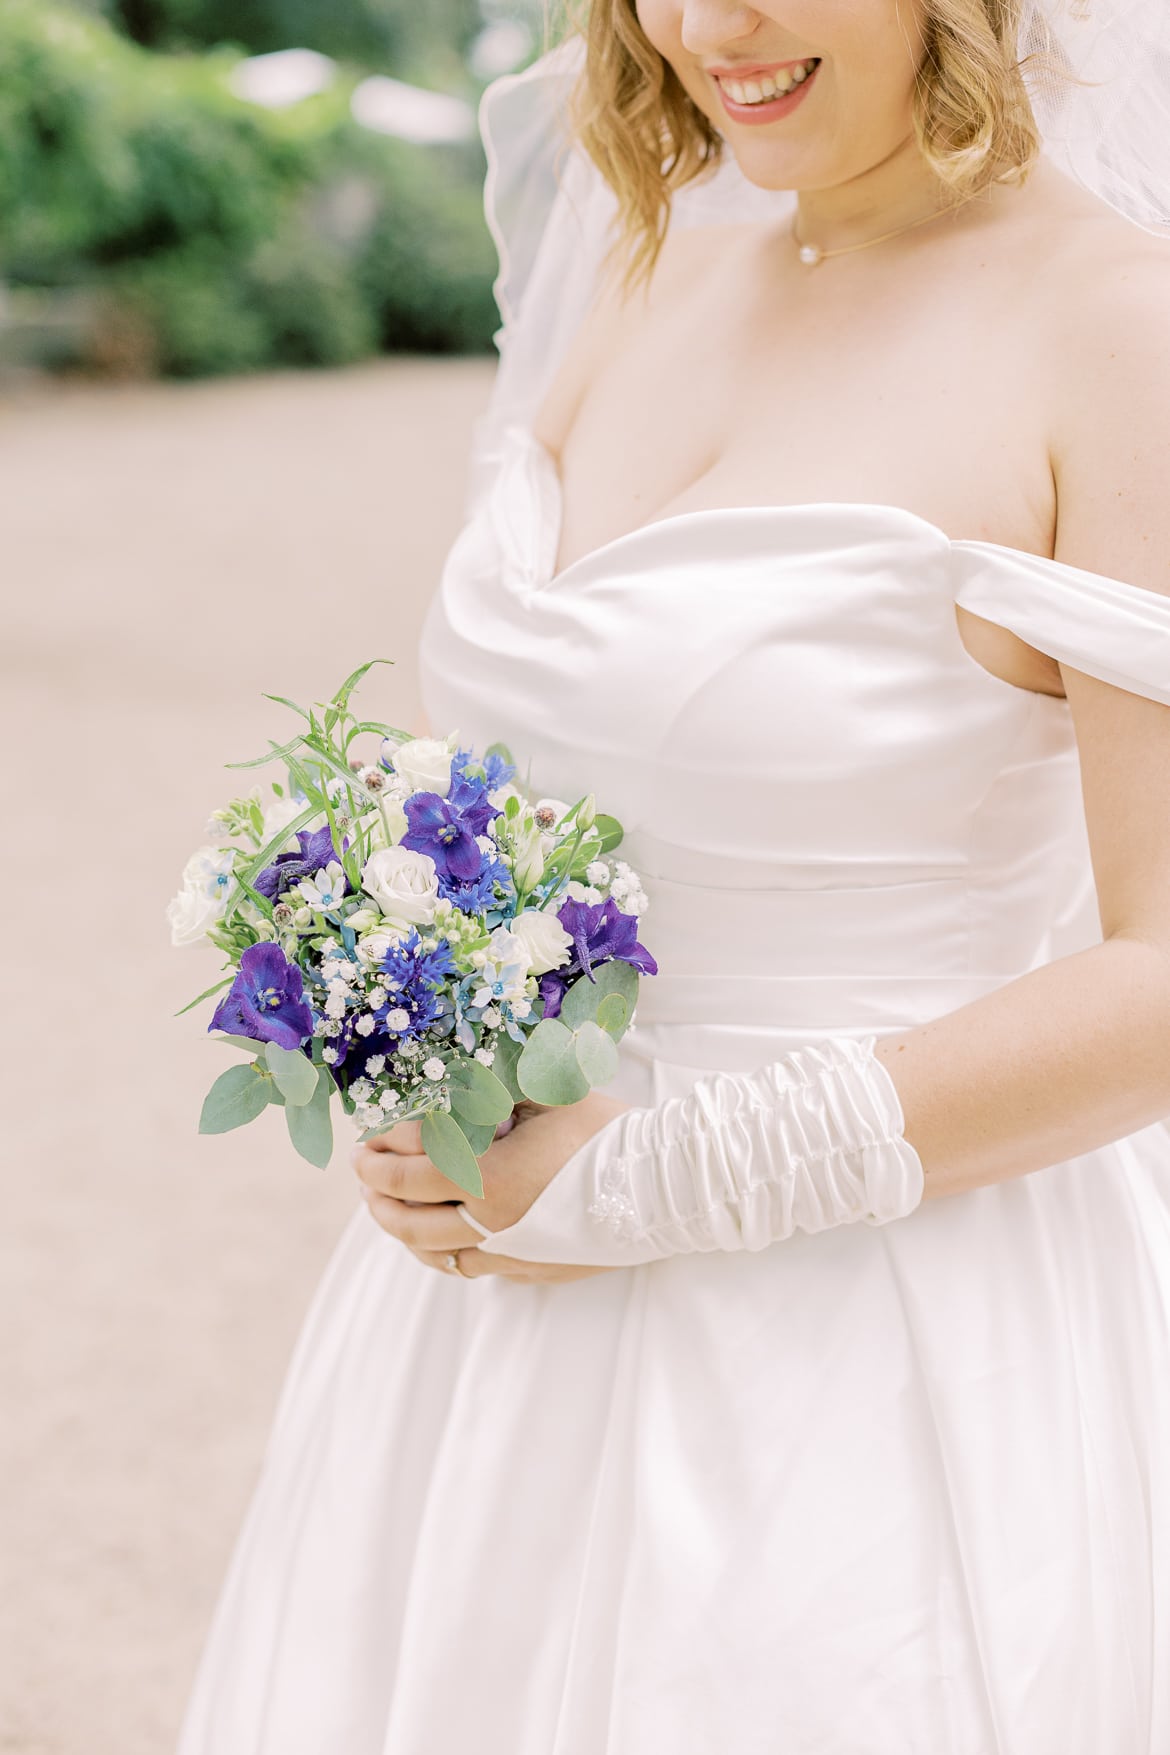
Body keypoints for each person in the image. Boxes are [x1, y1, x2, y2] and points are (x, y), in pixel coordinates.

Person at [176, 3, 1170, 1750]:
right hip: (478, 1358)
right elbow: (513, 786)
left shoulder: (1118, 331)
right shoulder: (645, 271)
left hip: (866, 1353)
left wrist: (648, 1188)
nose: (712, 24)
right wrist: (409, 1060)